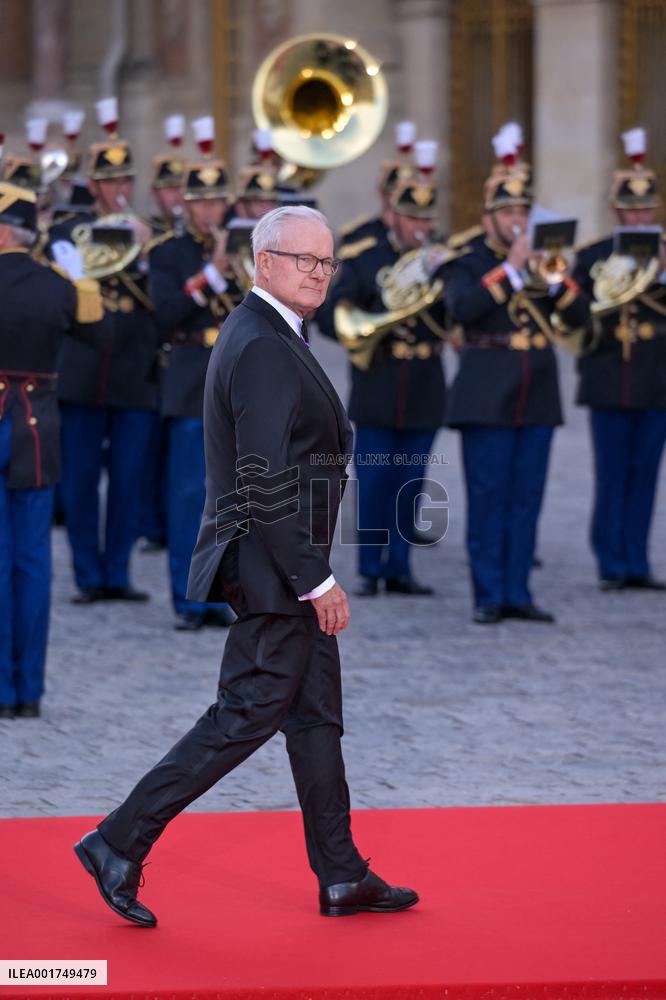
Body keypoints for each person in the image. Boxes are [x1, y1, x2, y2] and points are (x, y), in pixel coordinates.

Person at [73, 205, 418, 924]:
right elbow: (262, 478)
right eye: (304, 260)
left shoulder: (269, 330)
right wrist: (315, 579)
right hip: (274, 568)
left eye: (327, 262)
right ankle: (117, 841)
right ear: (265, 263)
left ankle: (342, 874)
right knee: (243, 716)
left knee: (317, 717)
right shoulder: (261, 342)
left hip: (280, 559)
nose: (319, 273)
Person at [444, 138, 588, 624]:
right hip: (487, 394)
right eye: (506, 213)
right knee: (489, 498)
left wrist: (555, 280)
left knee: (526, 499)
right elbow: (463, 310)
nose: (516, 220)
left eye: (522, 211)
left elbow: (579, 317)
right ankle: (488, 594)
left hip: (537, 394)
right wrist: (511, 268)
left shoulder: (544, 262)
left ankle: (518, 591)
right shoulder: (468, 260)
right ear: (488, 218)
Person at [318, 153, 448, 596]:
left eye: (425, 220)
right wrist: (367, 324)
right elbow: (331, 315)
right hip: (379, 378)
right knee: (374, 479)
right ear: (392, 213)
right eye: (411, 217)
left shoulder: (439, 260)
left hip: (425, 381)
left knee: (412, 480)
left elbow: (455, 316)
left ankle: (401, 565)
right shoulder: (365, 256)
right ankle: (370, 567)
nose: (419, 228)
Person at [48, 100, 160, 604]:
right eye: (110, 183)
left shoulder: (150, 236)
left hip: (134, 372)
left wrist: (147, 248)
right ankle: (87, 576)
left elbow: (165, 300)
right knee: (80, 480)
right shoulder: (66, 233)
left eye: (125, 183)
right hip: (80, 371)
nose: (119, 191)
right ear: (92, 186)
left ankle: (118, 572)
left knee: (129, 481)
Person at [0, 181, 104, 718]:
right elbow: (93, 327)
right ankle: (28, 692)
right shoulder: (53, 283)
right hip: (37, 424)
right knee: (33, 559)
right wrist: (79, 275)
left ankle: (1, 688)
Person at [148, 151, 241, 629]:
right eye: (200, 202)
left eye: (216, 202)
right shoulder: (168, 252)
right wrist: (212, 274)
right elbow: (164, 312)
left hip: (236, 384)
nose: (209, 211)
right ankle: (188, 601)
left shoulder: (248, 248)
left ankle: (218, 594)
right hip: (189, 380)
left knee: (230, 499)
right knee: (188, 496)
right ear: (184, 204)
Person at [573, 128, 666, 590]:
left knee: (645, 476)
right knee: (611, 476)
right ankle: (610, 562)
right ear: (616, 212)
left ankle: (637, 561)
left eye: (645, 209)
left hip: (655, 380)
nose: (638, 217)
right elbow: (575, 315)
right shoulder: (592, 257)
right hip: (609, 377)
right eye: (629, 210)